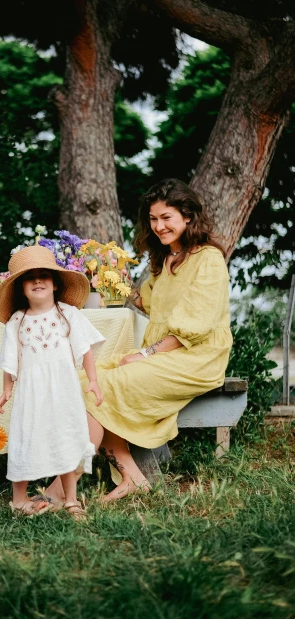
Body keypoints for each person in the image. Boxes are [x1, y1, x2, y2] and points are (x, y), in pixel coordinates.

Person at [46, 178, 233, 505]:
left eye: (167, 217)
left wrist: (145, 354)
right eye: (153, 219)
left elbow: (195, 326)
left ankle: (61, 490)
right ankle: (132, 478)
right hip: (164, 354)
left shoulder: (208, 259)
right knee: (84, 380)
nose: (159, 226)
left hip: (197, 358)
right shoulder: (164, 261)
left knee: (108, 383)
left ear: (187, 217)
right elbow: (145, 302)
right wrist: (106, 277)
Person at [0, 244, 105, 518]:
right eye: (30, 277)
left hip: (63, 390)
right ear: (21, 288)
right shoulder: (16, 322)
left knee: (65, 436)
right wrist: (7, 389)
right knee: (27, 438)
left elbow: (85, 349)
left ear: (55, 284)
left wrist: (93, 380)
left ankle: (70, 500)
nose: (38, 280)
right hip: (31, 393)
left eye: (45, 275)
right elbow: (11, 360)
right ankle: (19, 500)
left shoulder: (68, 314)